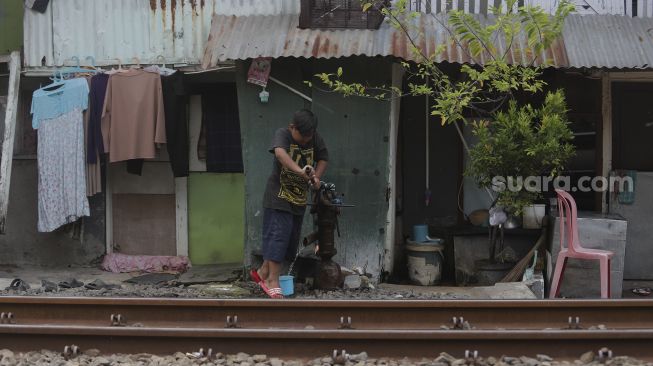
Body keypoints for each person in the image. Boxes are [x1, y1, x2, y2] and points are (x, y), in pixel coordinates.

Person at [250, 109, 328, 298]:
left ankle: (262, 273)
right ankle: (272, 280)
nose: (306, 140)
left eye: (309, 137)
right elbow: (280, 154)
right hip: (278, 196)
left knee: (288, 242)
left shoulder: (314, 137)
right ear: (292, 127)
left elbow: (323, 158)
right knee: (278, 237)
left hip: (298, 199)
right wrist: (300, 171)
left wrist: (316, 177)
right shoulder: (282, 134)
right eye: (302, 136)